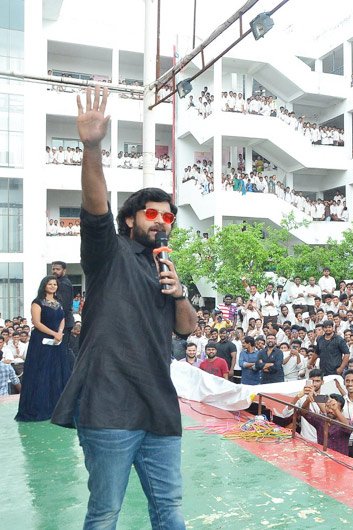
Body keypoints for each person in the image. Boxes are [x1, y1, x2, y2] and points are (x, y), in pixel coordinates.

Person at [52, 86, 198, 529]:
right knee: (105, 512)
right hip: (109, 407)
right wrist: (92, 147)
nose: (160, 220)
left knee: (169, 510)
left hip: (159, 407)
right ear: (131, 219)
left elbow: (186, 329)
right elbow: (96, 209)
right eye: (151, 213)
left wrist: (179, 293)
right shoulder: (109, 252)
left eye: (168, 216)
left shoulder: (168, 267)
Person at [15, 276, 72, 421]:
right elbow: (36, 322)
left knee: (57, 372)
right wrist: (54, 333)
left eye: (55, 284)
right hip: (41, 342)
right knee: (41, 372)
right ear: (44, 285)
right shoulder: (37, 302)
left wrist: (59, 333)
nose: (53, 286)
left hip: (57, 342)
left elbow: (62, 319)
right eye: (50, 284)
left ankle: (55, 408)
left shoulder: (58, 302)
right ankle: (39, 407)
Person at [299, 388, 351, 456]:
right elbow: (304, 412)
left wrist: (335, 409)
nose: (330, 410)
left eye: (334, 407)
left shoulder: (346, 421)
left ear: (341, 411)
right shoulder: (321, 419)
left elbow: (348, 427)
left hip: (340, 461)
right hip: (323, 458)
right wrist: (308, 400)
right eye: (328, 407)